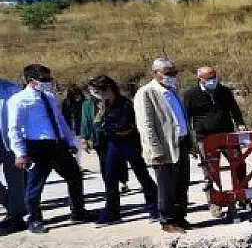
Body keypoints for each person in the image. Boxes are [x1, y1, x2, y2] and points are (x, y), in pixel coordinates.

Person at [5, 64, 92, 234]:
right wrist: (20, 153)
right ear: (31, 80)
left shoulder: (50, 97)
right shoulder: (18, 100)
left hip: (58, 144)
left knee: (74, 176)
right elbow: (14, 129)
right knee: (35, 186)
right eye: (44, 79)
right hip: (37, 146)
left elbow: (60, 121)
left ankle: (78, 211)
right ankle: (35, 219)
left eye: (49, 78)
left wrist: (70, 142)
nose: (48, 82)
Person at [86, 75, 159, 225]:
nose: (97, 94)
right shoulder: (103, 105)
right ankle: (112, 212)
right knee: (110, 177)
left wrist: (107, 128)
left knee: (142, 175)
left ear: (108, 88)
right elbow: (98, 125)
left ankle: (155, 208)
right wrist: (102, 122)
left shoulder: (124, 103)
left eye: (98, 90)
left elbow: (125, 127)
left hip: (129, 143)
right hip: (113, 144)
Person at [182, 66, 248, 218]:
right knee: (210, 171)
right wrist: (190, 142)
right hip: (205, 138)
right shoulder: (190, 95)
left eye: (214, 77)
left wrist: (240, 123)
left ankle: (243, 196)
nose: (213, 81)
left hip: (227, 135)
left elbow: (234, 110)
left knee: (239, 164)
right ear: (200, 79)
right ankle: (214, 203)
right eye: (209, 78)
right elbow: (186, 118)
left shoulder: (224, 91)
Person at [136, 57, 191, 233]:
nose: (172, 76)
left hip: (180, 142)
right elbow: (146, 125)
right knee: (167, 186)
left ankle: (180, 217)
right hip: (164, 147)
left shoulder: (173, 91)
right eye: (168, 73)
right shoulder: (147, 93)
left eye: (174, 73)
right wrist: (155, 149)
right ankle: (167, 221)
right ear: (156, 74)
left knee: (182, 183)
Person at [0, 77, 29, 233]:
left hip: (9, 141)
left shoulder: (11, 88)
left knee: (15, 180)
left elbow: (22, 115)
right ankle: (11, 206)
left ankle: (16, 217)